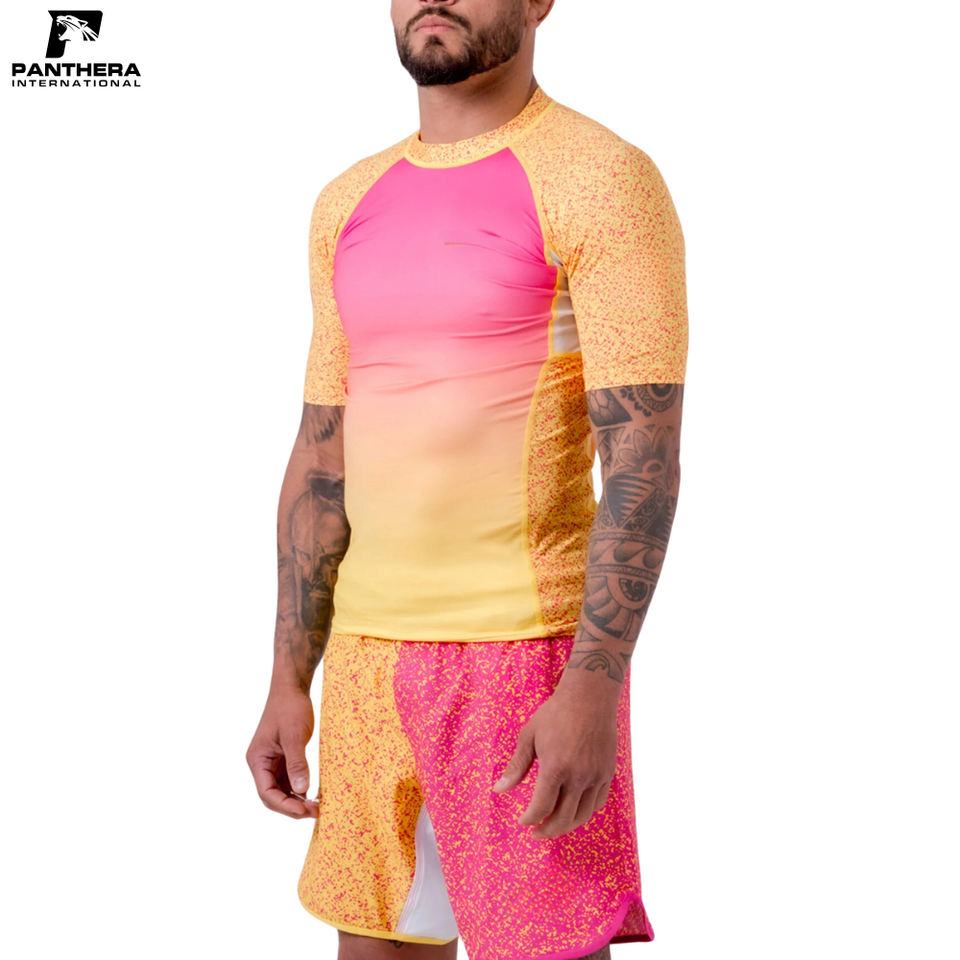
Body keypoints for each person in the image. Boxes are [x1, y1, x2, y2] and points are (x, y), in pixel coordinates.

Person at [246, 2, 687, 958]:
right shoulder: (345, 200)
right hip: (366, 660)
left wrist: (592, 690)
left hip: (523, 661)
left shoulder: (601, 177)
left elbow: (642, 457)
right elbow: (322, 455)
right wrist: (288, 680)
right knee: (377, 943)